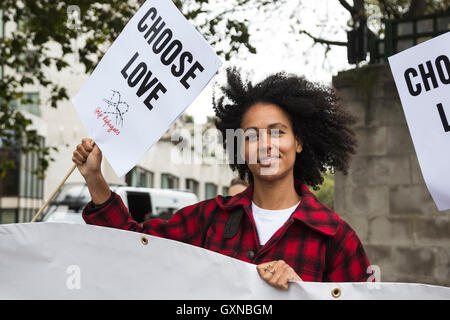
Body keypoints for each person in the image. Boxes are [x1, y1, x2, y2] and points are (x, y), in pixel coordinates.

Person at [73, 68, 371, 290]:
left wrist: (304, 293)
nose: (266, 144)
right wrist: (95, 178)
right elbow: (133, 248)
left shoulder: (335, 238)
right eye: (252, 135)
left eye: (277, 132)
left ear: (299, 142)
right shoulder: (208, 219)